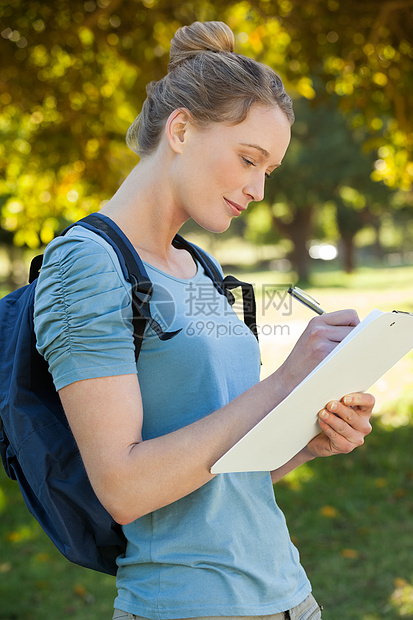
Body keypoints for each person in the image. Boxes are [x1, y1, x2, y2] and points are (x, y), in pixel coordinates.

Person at [33, 21, 374, 620]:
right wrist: (285, 381)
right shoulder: (85, 264)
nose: (259, 190)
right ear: (183, 128)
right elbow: (123, 488)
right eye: (249, 159)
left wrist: (306, 439)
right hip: (184, 605)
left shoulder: (203, 266)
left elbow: (226, 466)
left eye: (269, 170)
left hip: (290, 597)